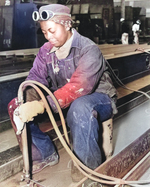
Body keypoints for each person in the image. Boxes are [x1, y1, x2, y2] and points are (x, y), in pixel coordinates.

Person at [8, 4, 117, 186]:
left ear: (67, 25)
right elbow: (34, 79)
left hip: (97, 100)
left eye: (52, 30)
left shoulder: (89, 49)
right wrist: (27, 101)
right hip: (61, 102)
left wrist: (42, 105)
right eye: (44, 32)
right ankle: (44, 154)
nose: (49, 36)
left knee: (80, 107)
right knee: (16, 106)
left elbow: (79, 87)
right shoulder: (45, 51)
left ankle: (89, 174)